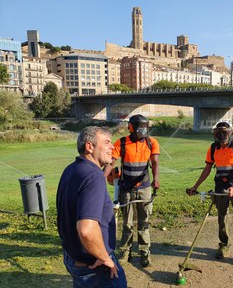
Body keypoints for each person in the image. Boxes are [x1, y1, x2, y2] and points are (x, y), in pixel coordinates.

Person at [57, 126, 127, 288]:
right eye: (107, 142)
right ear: (90, 147)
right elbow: (86, 229)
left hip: (73, 258)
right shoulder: (94, 176)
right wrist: (105, 258)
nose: (113, 147)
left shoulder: (71, 169)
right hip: (93, 264)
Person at [187, 121, 233, 270]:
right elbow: (207, 169)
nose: (221, 136)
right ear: (215, 134)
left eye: (224, 132)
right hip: (220, 187)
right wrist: (195, 187)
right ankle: (224, 244)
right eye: (218, 133)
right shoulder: (212, 148)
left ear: (230, 133)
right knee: (222, 219)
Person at [103, 114, 160, 267]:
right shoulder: (121, 143)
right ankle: (125, 251)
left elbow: (154, 162)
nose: (142, 130)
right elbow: (111, 163)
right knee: (127, 222)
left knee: (144, 222)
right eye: (139, 127)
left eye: (144, 127)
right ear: (131, 128)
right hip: (126, 188)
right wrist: (101, 178)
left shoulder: (151, 142)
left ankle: (144, 252)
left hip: (145, 188)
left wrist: (156, 179)